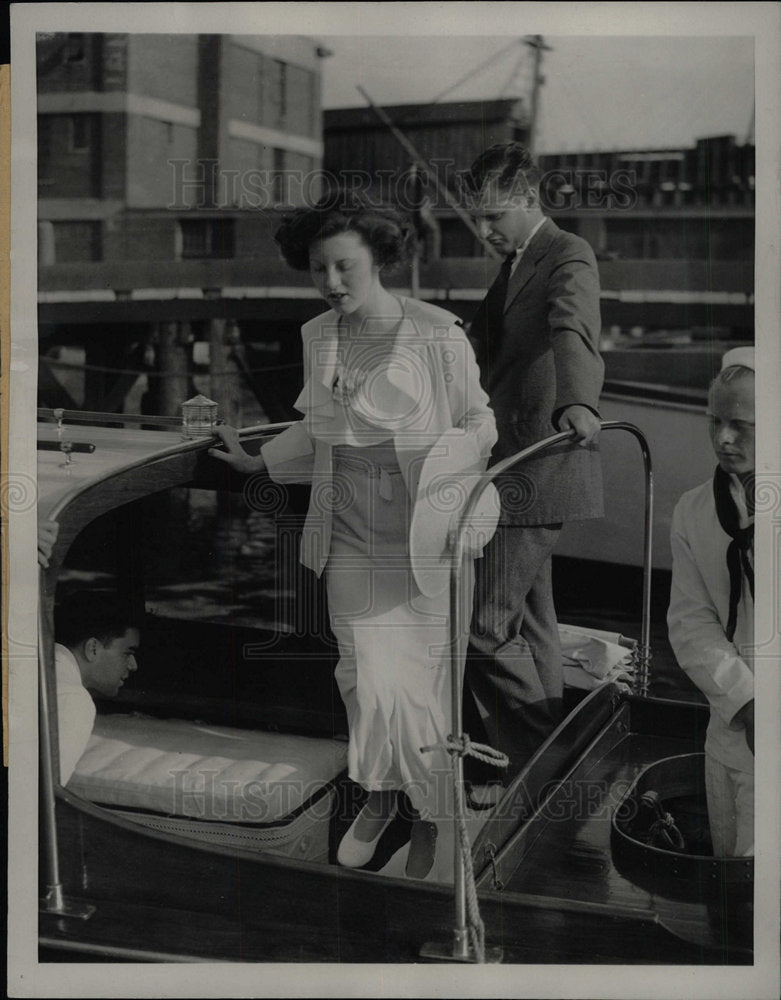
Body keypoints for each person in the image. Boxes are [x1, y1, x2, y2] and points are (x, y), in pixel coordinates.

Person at [210, 195, 498, 879]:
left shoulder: (436, 333)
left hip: (423, 532)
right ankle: (382, 795)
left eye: (344, 267)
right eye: (318, 270)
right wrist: (261, 462)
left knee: (421, 687)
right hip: (348, 530)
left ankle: (427, 812)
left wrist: (452, 474)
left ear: (378, 260)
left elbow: (480, 420)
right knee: (365, 678)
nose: (331, 283)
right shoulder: (319, 336)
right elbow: (316, 428)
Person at [461, 142, 604, 783]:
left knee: (483, 628)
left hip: (539, 465)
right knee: (533, 623)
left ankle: (543, 767)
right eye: (479, 219)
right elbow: (481, 346)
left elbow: (573, 327)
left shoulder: (566, 253)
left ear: (526, 199)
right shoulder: (515, 263)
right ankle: (555, 761)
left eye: (494, 216)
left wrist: (578, 402)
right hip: (512, 469)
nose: (485, 231)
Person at [667, 347, 755, 857]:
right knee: (730, 876)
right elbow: (690, 620)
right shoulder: (694, 511)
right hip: (728, 732)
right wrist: (746, 700)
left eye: (740, 425)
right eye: (715, 422)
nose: (723, 438)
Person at [53, 591, 141, 785]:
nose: (133, 665)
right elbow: (42, 794)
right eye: (127, 653)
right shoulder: (73, 700)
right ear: (93, 648)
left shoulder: (37, 668)